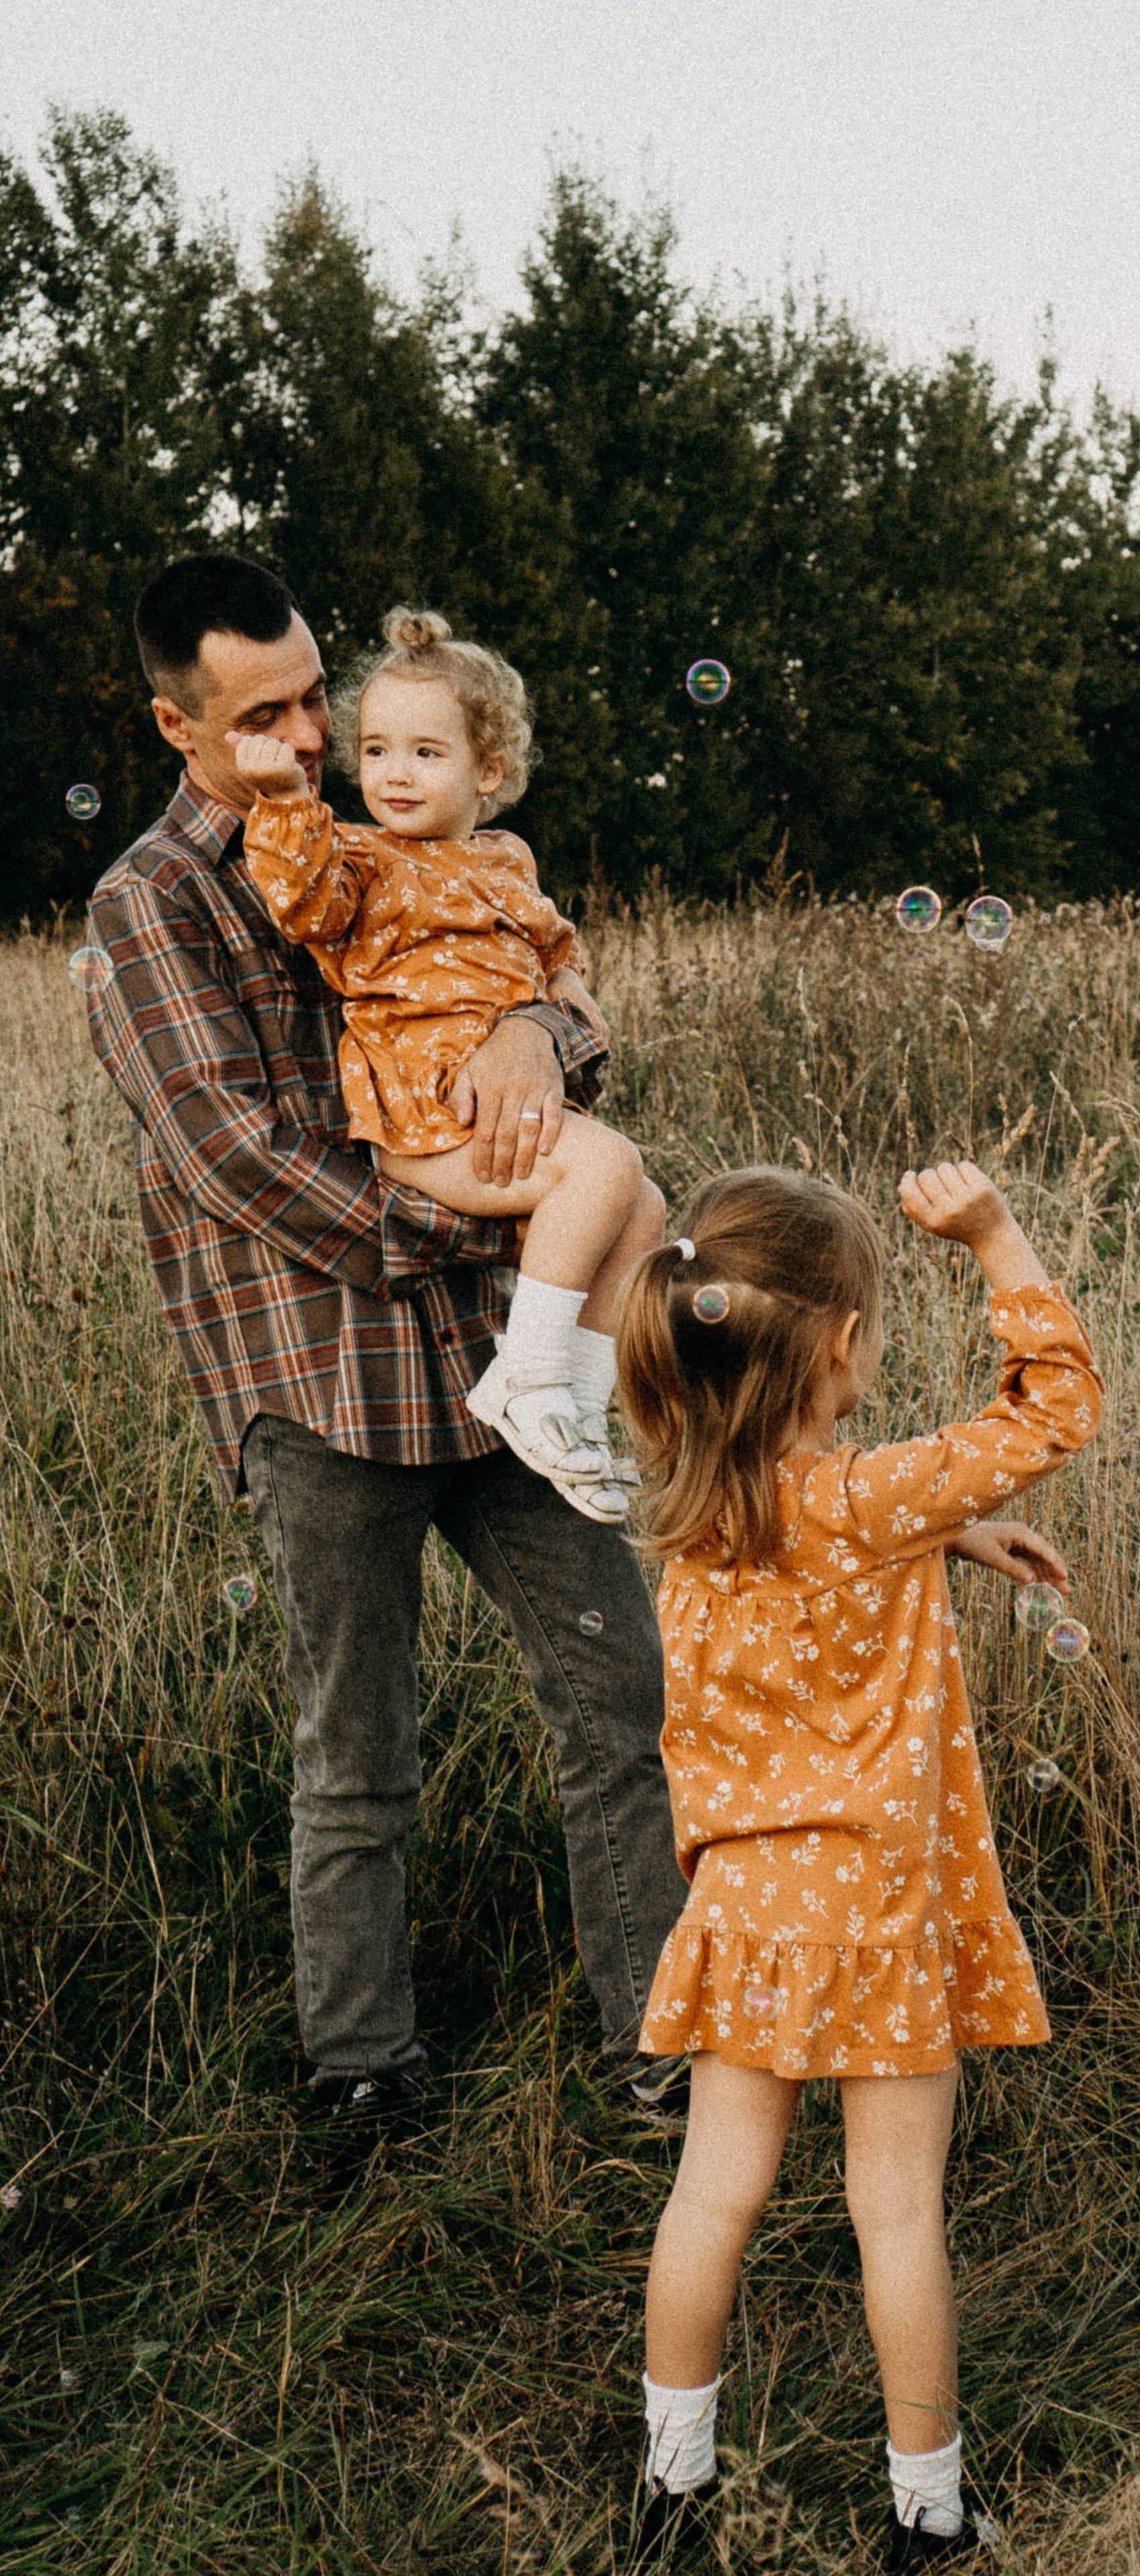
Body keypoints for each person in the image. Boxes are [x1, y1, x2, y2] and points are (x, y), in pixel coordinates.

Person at [84, 553, 687, 2127]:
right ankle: (362, 2073)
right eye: (266, 716)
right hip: (318, 1368)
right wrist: (479, 1219)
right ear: (177, 724)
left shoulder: (394, 838)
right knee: (358, 1751)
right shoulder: (151, 902)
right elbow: (233, 1155)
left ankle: (658, 2043)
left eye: (314, 703)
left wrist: (527, 1034)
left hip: (506, 1365)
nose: (310, 737)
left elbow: (566, 1005)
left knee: (622, 1698)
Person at [611, 1163, 1100, 2566]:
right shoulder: (872, 1499)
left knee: (712, 2193)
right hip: (879, 1913)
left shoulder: (693, 1506)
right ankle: (928, 2512)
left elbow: (810, 1535)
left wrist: (944, 1532)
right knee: (894, 2214)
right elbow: (1053, 1405)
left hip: (743, 1911)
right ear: (838, 1347)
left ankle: (672, 2485)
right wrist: (998, 1234)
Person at [236, 604, 662, 1523]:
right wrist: (282, 805)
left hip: (498, 1111)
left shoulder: (507, 860)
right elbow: (302, 906)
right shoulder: (355, 857)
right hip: (421, 1117)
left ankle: (573, 1416)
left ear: (490, 771)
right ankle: (526, 1381)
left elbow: (557, 953)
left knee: (648, 1205)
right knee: (612, 1166)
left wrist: (556, 1011)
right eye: (379, 749)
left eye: (428, 753)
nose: (395, 772)